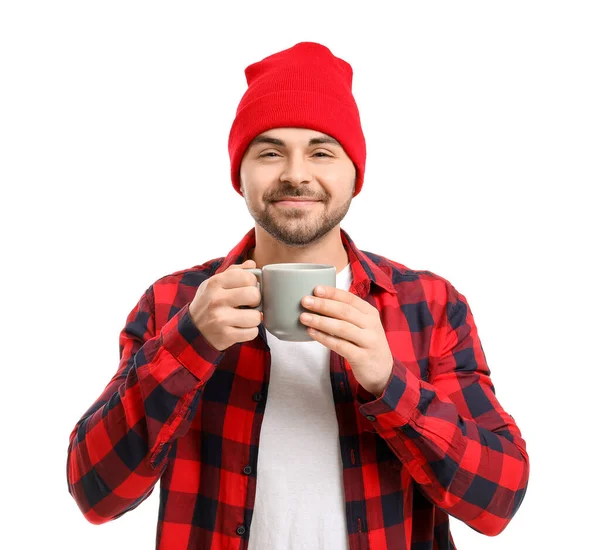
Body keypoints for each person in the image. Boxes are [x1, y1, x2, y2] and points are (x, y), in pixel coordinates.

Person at [67, 41, 529, 550]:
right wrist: (189, 342)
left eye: (321, 152)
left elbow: (497, 502)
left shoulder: (430, 305)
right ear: (239, 177)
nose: (295, 173)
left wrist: (388, 381)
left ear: (355, 177)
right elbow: (96, 494)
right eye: (269, 151)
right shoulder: (174, 303)